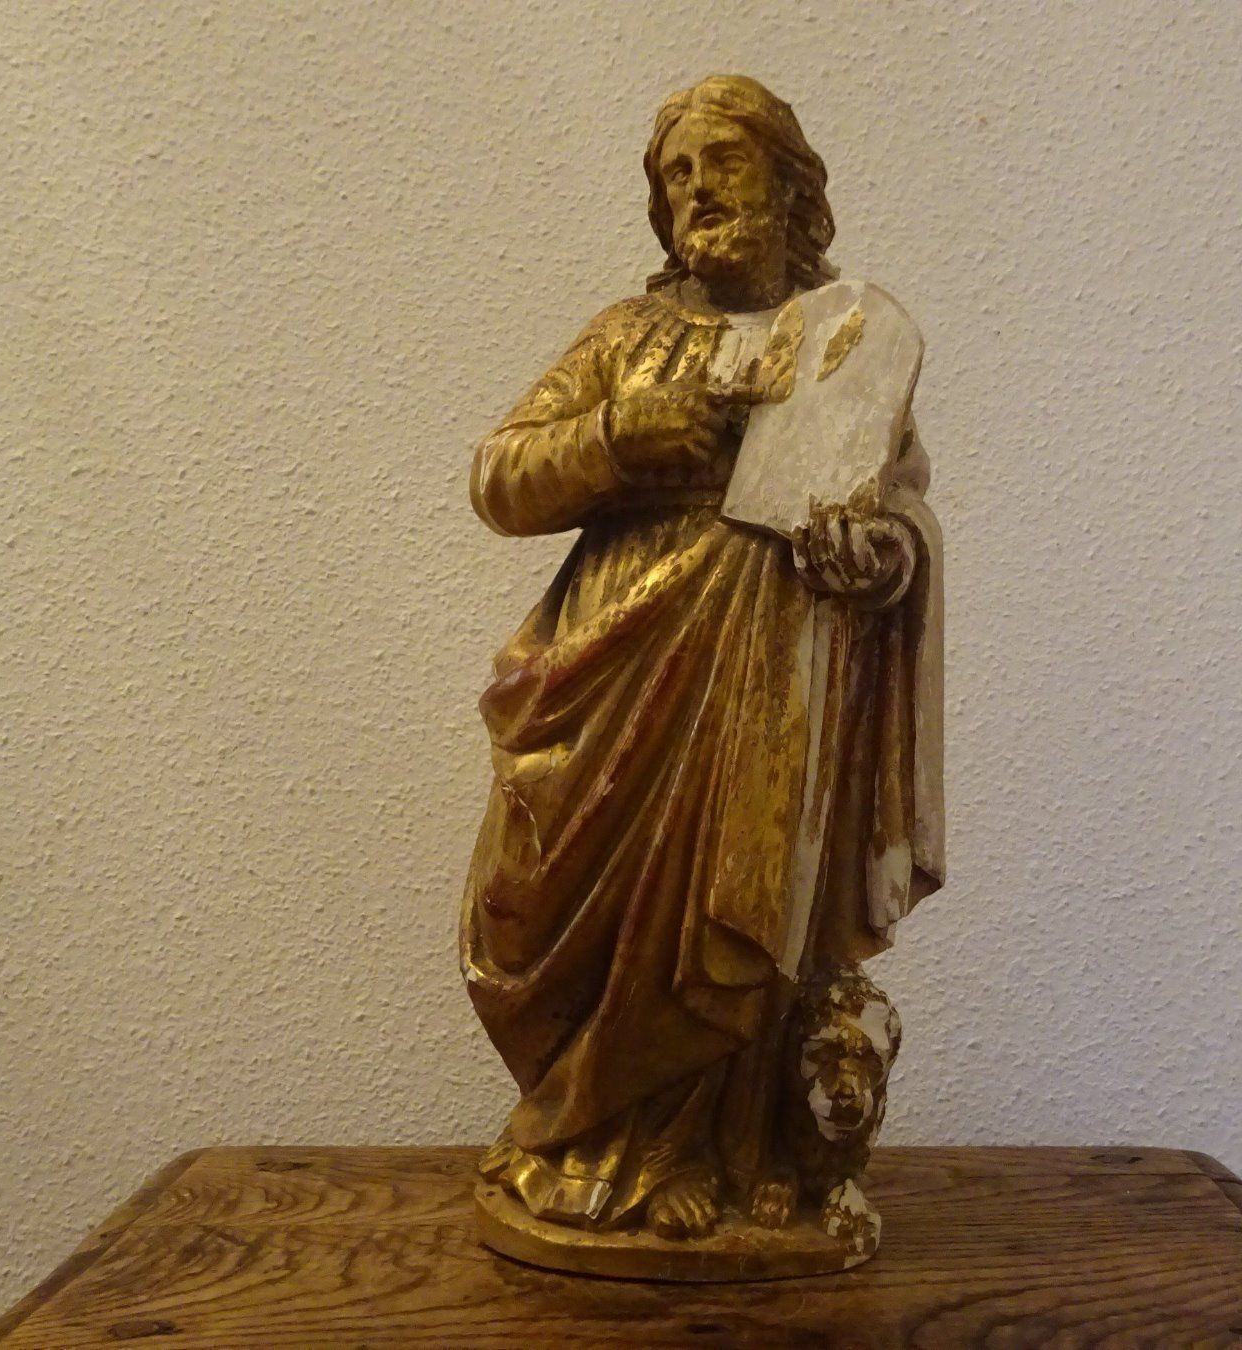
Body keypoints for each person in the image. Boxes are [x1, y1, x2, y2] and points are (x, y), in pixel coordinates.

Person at [461, 74, 944, 1240]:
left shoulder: (849, 341)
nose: (698, 190)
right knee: (536, 904)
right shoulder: (625, 337)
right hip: (610, 678)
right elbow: (498, 476)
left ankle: (727, 1157)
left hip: (778, 685)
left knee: (742, 920)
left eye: (723, 161)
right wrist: (613, 440)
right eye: (676, 174)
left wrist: (879, 557)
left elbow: (904, 506)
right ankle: (585, 1138)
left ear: (789, 183)